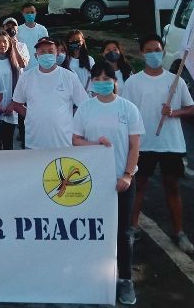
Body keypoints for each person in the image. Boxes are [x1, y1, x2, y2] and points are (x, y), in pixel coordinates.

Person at [72, 61, 144, 305]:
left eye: (107, 78)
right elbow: (75, 139)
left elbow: (134, 145)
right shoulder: (85, 108)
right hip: (91, 182)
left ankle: (125, 280)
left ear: (115, 81)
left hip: (121, 181)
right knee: (91, 229)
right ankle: (93, 277)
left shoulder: (128, 109)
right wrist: (94, 145)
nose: (102, 82)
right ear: (91, 81)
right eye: (97, 78)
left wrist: (127, 175)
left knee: (122, 233)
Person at [122, 33, 194, 254]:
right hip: (143, 144)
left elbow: (191, 109)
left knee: (172, 187)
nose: (154, 54)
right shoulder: (133, 82)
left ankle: (179, 232)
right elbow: (125, 113)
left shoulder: (176, 80)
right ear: (142, 53)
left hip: (170, 144)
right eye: (150, 50)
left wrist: (174, 112)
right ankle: (132, 228)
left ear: (163, 51)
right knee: (139, 186)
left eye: (158, 50)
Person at [11, 37, 89, 149]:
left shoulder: (69, 76)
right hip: (34, 142)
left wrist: (66, 117)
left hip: (62, 143)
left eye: (50, 51)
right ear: (35, 55)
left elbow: (84, 105)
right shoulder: (26, 77)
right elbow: (17, 103)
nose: (46, 54)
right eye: (42, 52)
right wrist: (32, 116)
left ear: (57, 54)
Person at [0, 30, 23, 150]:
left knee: (8, 144)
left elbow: (18, 86)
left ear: (9, 43)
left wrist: (12, 104)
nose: (2, 44)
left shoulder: (13, 63)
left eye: (5, 41)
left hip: (10, 109)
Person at [16, 2, 49, 69]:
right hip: (23, 67)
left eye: (32, 12)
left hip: (40, 66)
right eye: (27, 13)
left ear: (36, 13)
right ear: (23, 13)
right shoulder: (18, 30)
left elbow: (47, 48)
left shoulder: (42, 29)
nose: (30, 14)